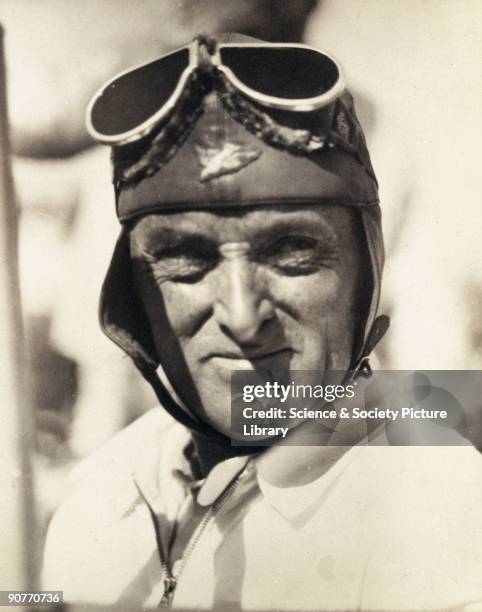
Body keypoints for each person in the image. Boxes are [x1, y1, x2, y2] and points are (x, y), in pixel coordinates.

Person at [42, 35, 482, 610]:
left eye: (292, 253)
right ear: (132, 301)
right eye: (187, 261)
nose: (243, 318)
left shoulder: (441, 511)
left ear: (363, 279)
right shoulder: (103, 486)